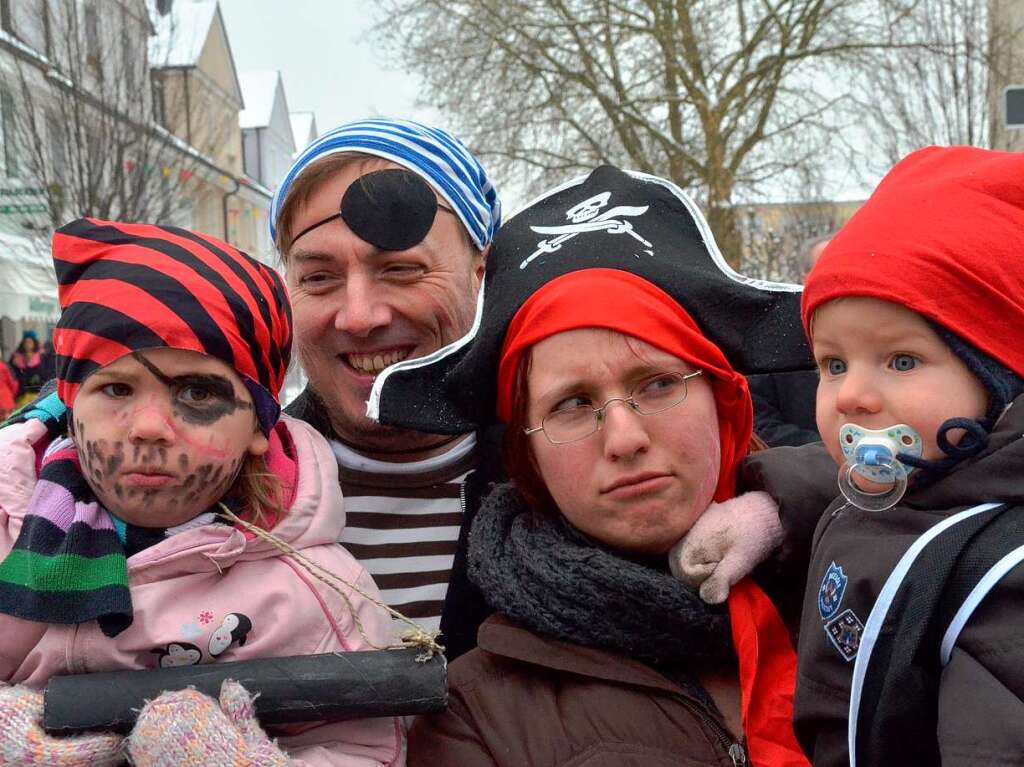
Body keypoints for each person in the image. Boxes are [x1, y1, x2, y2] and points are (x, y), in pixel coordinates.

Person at [373, 165, 815, 766]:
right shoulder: (480, 717)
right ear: (527, 454)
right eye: (573, 405)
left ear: (725, 401)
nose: (625, 437)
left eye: (660, 383)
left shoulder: (861, 588)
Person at [0, 218, 404, 766]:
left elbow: (365, 748)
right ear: (72, 404)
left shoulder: (316, 592)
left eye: (195, 391)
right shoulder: (10, 526)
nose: (147, 427)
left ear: (260, 425)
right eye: (116, 387)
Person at [790, 147, 1024, 765]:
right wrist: (765, 505)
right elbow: (825, 482)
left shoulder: (1003, 583)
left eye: (901, 361)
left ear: (998, 379)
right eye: (832, 364)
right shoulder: (917, 480)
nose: (852, 396)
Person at [271, 117, 502, 660]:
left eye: (400, 269)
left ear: (482, 275)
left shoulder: (574, 486)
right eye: (319, 279)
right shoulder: (229, 502)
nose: (358, 317)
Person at [9, 330, 45, 406]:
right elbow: (12, 375)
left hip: (37, 393)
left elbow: (45, 374)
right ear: (22, 344)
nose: (27, 345)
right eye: (26, 342)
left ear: (34, 343)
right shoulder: (15, 358)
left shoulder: (42, 357)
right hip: (21, 394)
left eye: (30, 342)